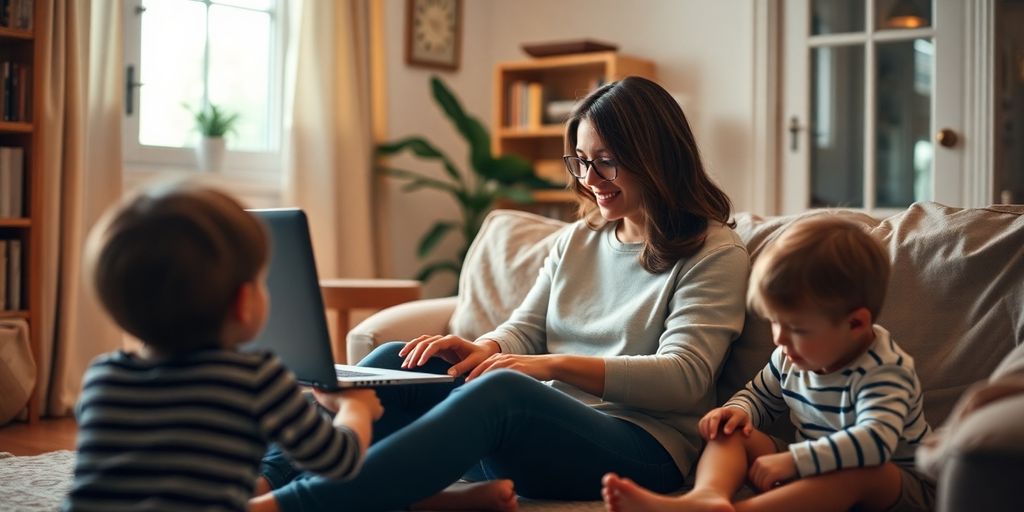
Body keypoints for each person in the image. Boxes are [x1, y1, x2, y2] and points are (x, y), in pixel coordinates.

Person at [252, 75, 750, 511]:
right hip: (535, 434)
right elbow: (526, 329)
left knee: (504, 390)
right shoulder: (579, 239)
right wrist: (485, 348)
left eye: (607, 162)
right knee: (390, 362)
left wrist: (549, 367)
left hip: (643, 448)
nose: (590, 179)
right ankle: (261, 482)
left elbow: (684, 378)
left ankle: (291, 506)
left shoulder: (713, 251)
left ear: (656, 158)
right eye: (580, 161)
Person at [64, 183, 384, 511]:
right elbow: (338, 461)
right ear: (243, 302)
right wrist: (355, 408)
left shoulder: (102, 377)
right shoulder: (255, 378)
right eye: (262, 280)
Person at [602, 216, 936, 512]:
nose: (780, 339)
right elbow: (759, 397)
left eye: (798, 329)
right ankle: (707, 498)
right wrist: (738, 411)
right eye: (775, 323)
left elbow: (874, 442)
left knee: (858, 473)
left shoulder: (885, 370)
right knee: (731, 431)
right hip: (812, 464)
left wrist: (794, 460)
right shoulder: (791, 355)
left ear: (856, 324)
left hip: (898, 486)